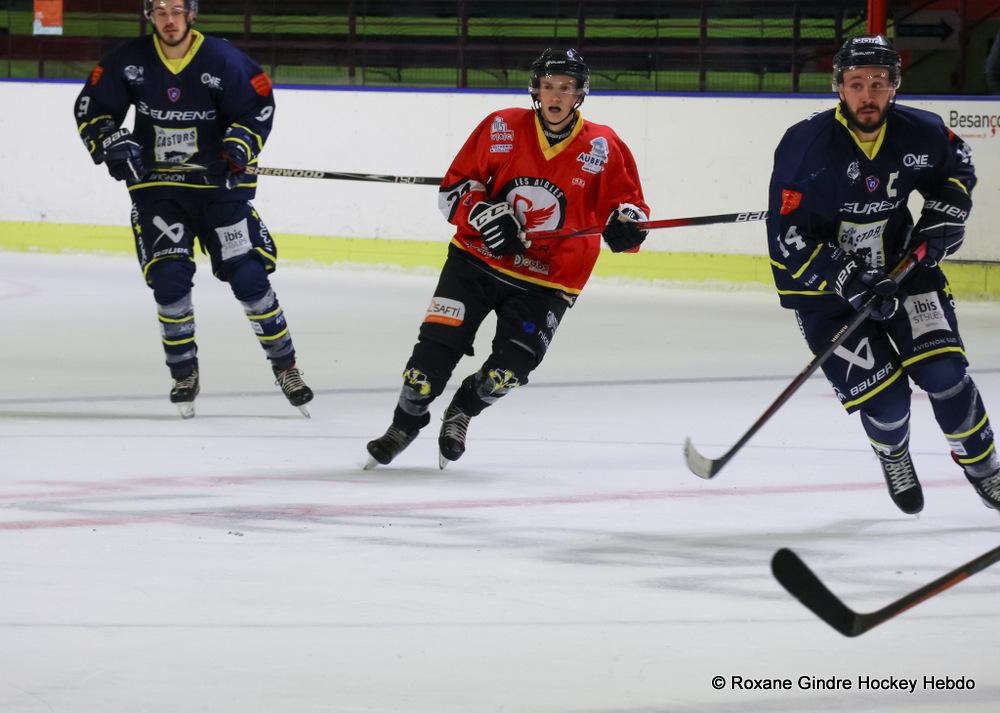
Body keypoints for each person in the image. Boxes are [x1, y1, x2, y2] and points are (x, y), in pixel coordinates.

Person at [365, 48, 650, 469]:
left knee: (508, 373)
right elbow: (453, 190)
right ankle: (404, 425)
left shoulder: (604, 146)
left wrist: (628, 225)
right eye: (548, 86)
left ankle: (462, 408)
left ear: (579, 95)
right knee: (424, 370)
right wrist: (482, 215)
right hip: (475, 263)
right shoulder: (501, 126)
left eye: (565, 88)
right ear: (535, 89)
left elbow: (631, 208)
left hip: (548, 280)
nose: (555, 96)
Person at [767, 34, 999, 514]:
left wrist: (945, 213)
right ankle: (893, 453)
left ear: (895, 85)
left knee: (944, 374)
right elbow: (787, 238)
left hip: (903, 269)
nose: (867, 95)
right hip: (825, 294)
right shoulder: (805, 145)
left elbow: (957, 169)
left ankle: (985, 468)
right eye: (856, 84)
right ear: (838, 88)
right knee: (888, 402)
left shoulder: (923, 131)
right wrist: (847, 277)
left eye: (878, 83)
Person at [72, 0, 313, 418]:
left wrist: (240, 144)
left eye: (177, 10)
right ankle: (184, 372)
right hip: (159, 188)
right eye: (161, 11)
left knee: (249, 276)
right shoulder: (129, 61)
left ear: (192, 14)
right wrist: (112, 144)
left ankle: (286, 367)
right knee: (168, 280)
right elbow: (91, 109)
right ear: (150, 15)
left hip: (218, 187)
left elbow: (258, 106)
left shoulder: (222, 60)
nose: (169, 20)